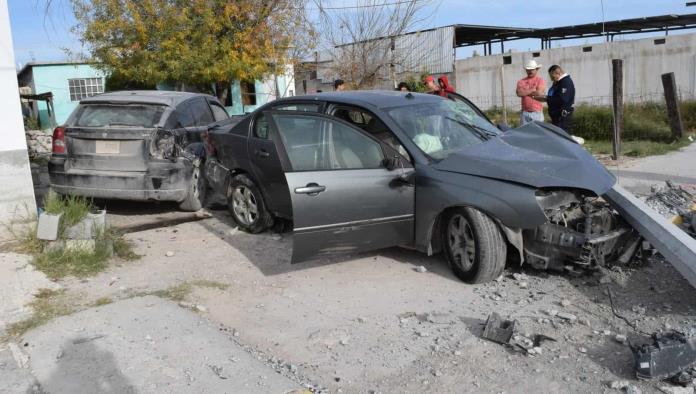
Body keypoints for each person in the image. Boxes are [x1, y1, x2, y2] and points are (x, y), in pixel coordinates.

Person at [534, 65, 575, 132]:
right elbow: (554, 96)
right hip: (557, 117)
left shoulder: (565, 82)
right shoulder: (558, 82)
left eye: (552, 76)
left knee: (561, 138)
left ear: (557, 73)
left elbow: (563, 99)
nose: (551, 79)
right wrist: (545, 98)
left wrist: (547, 98)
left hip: (562, 118)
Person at [516, 60, 546, 125]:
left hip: (537, 112)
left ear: (536, 69)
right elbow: (519, 93)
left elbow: (539, 93)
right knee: (525, 133)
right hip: (525, 113)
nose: (530, 71)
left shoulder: (540, 80)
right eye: (528, 69)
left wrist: (525, 92)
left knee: (538, 133)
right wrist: (532, 90)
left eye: (532, 69)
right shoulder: (521, 81)